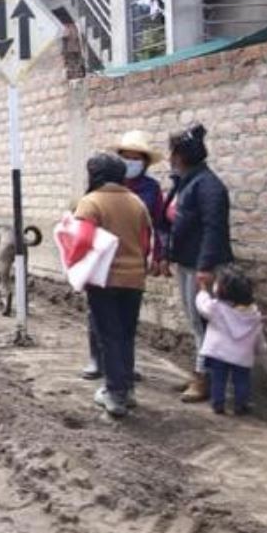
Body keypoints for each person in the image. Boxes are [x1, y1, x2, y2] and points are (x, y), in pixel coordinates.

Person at [80, 130, 168, 382]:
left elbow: (157, 225)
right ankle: (100, 362)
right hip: (104, 265)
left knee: (124, 324)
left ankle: (120, 376)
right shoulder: (98, 195)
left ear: (145, 162)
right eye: (126, 158)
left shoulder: (149, 190)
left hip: (132, 260)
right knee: (101, 319)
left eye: (136, 158)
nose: (131, 163)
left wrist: (159, 255)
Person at [75, 151, 152, 418]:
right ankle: (127, 389)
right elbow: (145, 244)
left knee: (108, 336)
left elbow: (82, 242)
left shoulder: (90, 202)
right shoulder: (137, 202)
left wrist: (77, 270)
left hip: (104, 280)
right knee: (126, 334)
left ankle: (114, 394)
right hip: (134, 279)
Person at [164, 123, 231, 404]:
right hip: (188, 261)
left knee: (204, 322)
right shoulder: (190, 181)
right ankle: (200, 371)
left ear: (181, 156)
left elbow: (214, 229)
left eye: (172, 153)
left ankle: (205, 378)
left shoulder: (208, 186)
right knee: (195, 320)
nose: (169, 158)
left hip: (201, 265)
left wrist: (205, 268)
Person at [197, 268, 264, 416]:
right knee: (241, 382)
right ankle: (241, 405)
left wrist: (202, 290)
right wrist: (260, 349)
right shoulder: (254, 315)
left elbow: (202, 306)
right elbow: (258, 337)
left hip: (218, 353)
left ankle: (218, 404)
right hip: (242, 356)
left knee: (218, 380)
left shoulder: (216, 307)